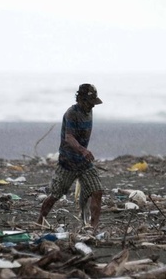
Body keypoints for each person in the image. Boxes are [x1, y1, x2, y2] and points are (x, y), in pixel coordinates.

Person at [37, 83, 104, 229]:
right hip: (68, 162)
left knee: (97, 191)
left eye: (93, 103)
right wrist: (83, 150)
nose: (91, 106)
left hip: (83, 163)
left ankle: (93, 228)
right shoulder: (71, 113)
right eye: (89, 102)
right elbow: (69, 137)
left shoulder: (89, 111)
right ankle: (40, 220)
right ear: (80, 99)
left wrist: (83, 154)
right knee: (55, 195)